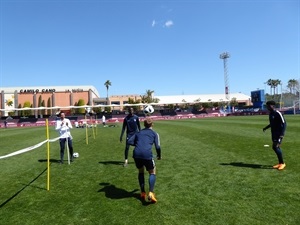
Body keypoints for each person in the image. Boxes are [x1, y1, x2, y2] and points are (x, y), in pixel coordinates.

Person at [128, 117, 161, 203]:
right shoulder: (154, 134)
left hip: (136, 154)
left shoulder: (139, 133)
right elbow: (157, 146)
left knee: (141, 171)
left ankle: (142, 192)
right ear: (152, 124)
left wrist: (139, 143)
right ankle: (151, 192)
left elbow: (129, 141)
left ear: (144, 124)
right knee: (152, 172)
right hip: (146, 154)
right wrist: (159, 155)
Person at [263, 100, 287, 170]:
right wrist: (266, 127)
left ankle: (282, 163)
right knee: (276, 147)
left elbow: (284, 124)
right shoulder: (271, 114)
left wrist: (282, 134)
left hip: (279, 133)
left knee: (276, 147)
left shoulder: (277, 113)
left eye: (268, 106)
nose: (267, 107)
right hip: (273, 133)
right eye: (267, 106)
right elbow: (272, 123)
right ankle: (280, 163)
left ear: (272, 106)